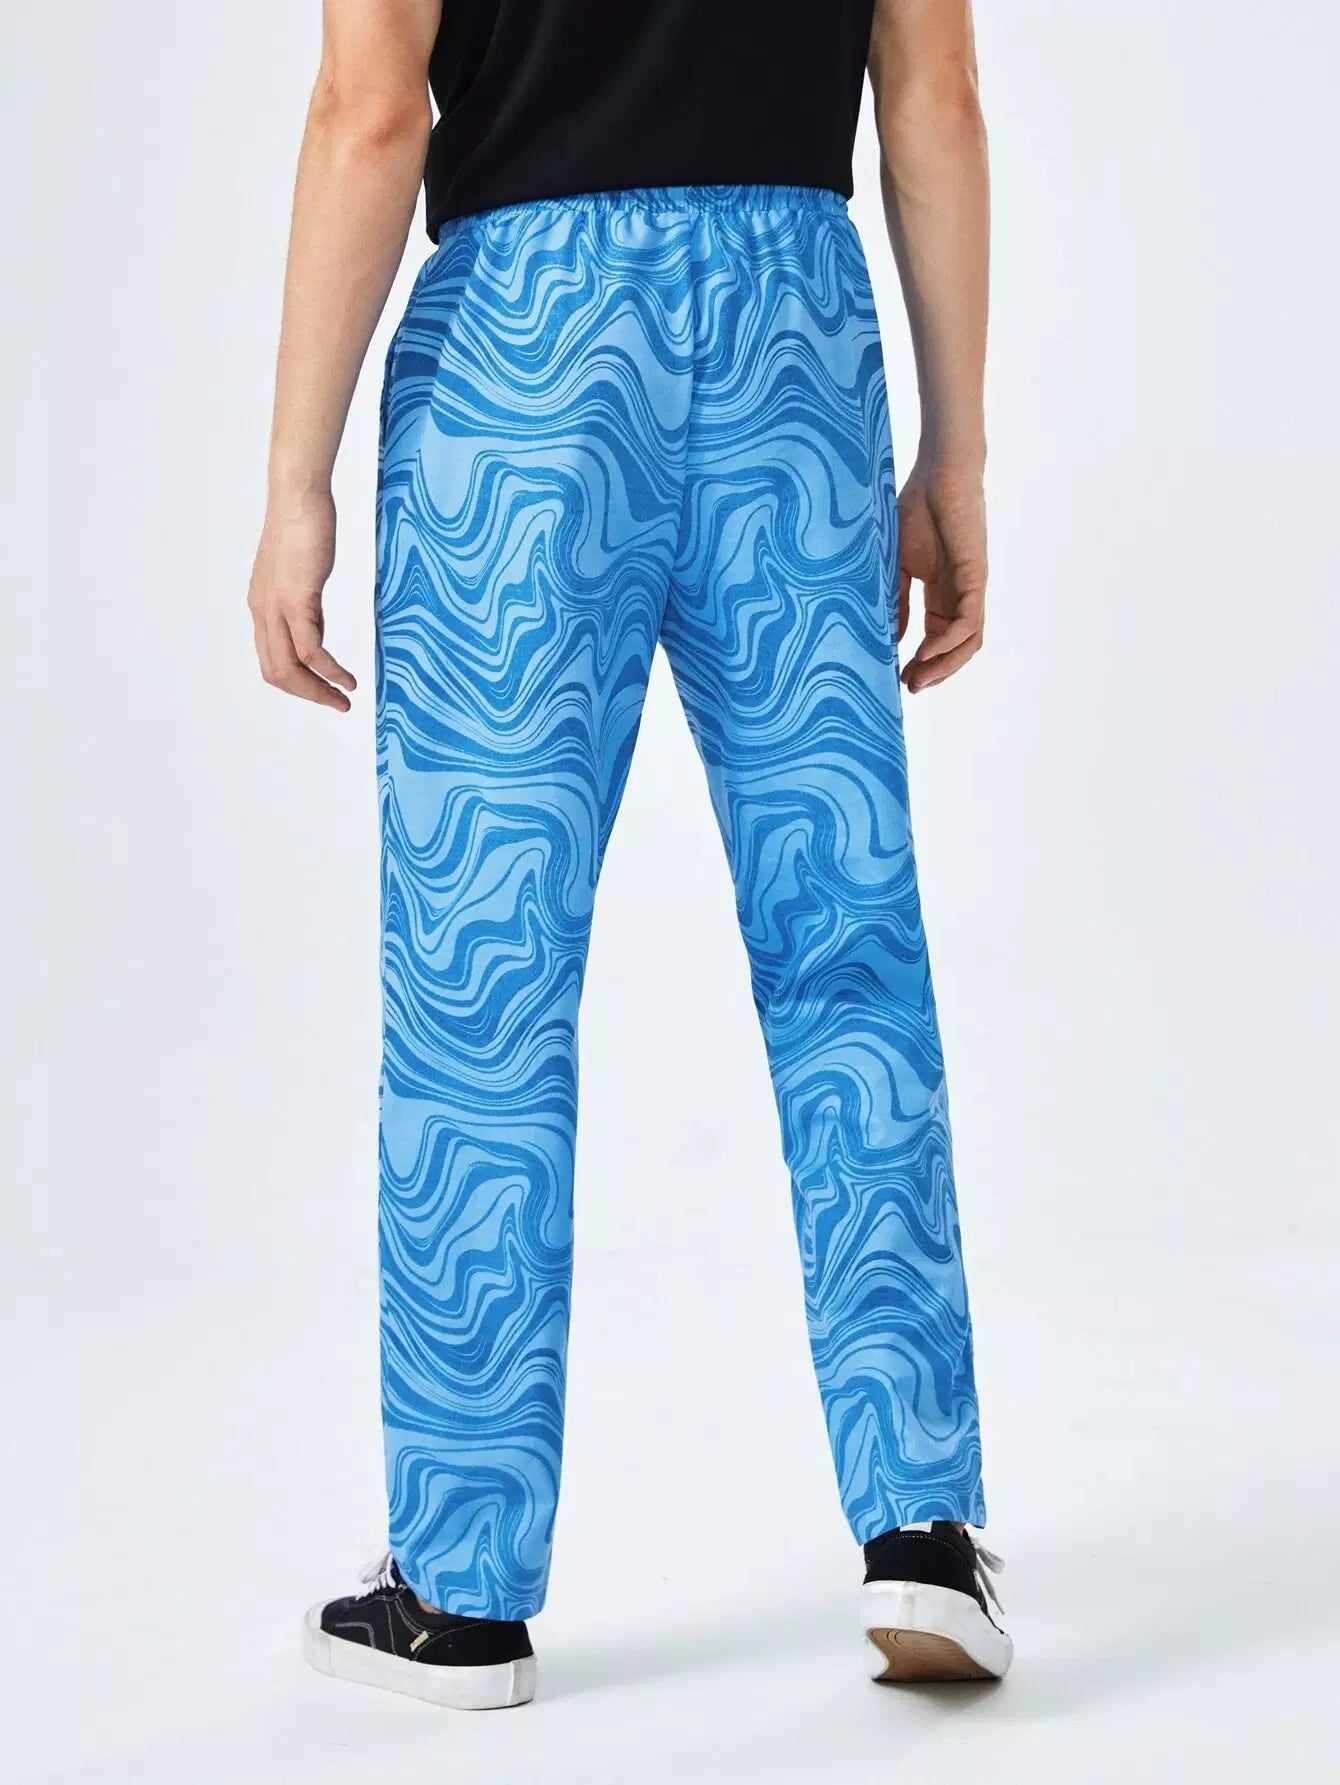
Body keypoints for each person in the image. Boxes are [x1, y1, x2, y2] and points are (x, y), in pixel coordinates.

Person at [247, 0, 1008, 1710]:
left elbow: (370, 114)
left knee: (483, 974)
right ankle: (923, 1525)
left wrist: (297, 481)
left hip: (523, 365)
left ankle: (461, 1591)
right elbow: (935, 92)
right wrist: (953, 449)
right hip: (793, 336)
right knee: (845, 948)